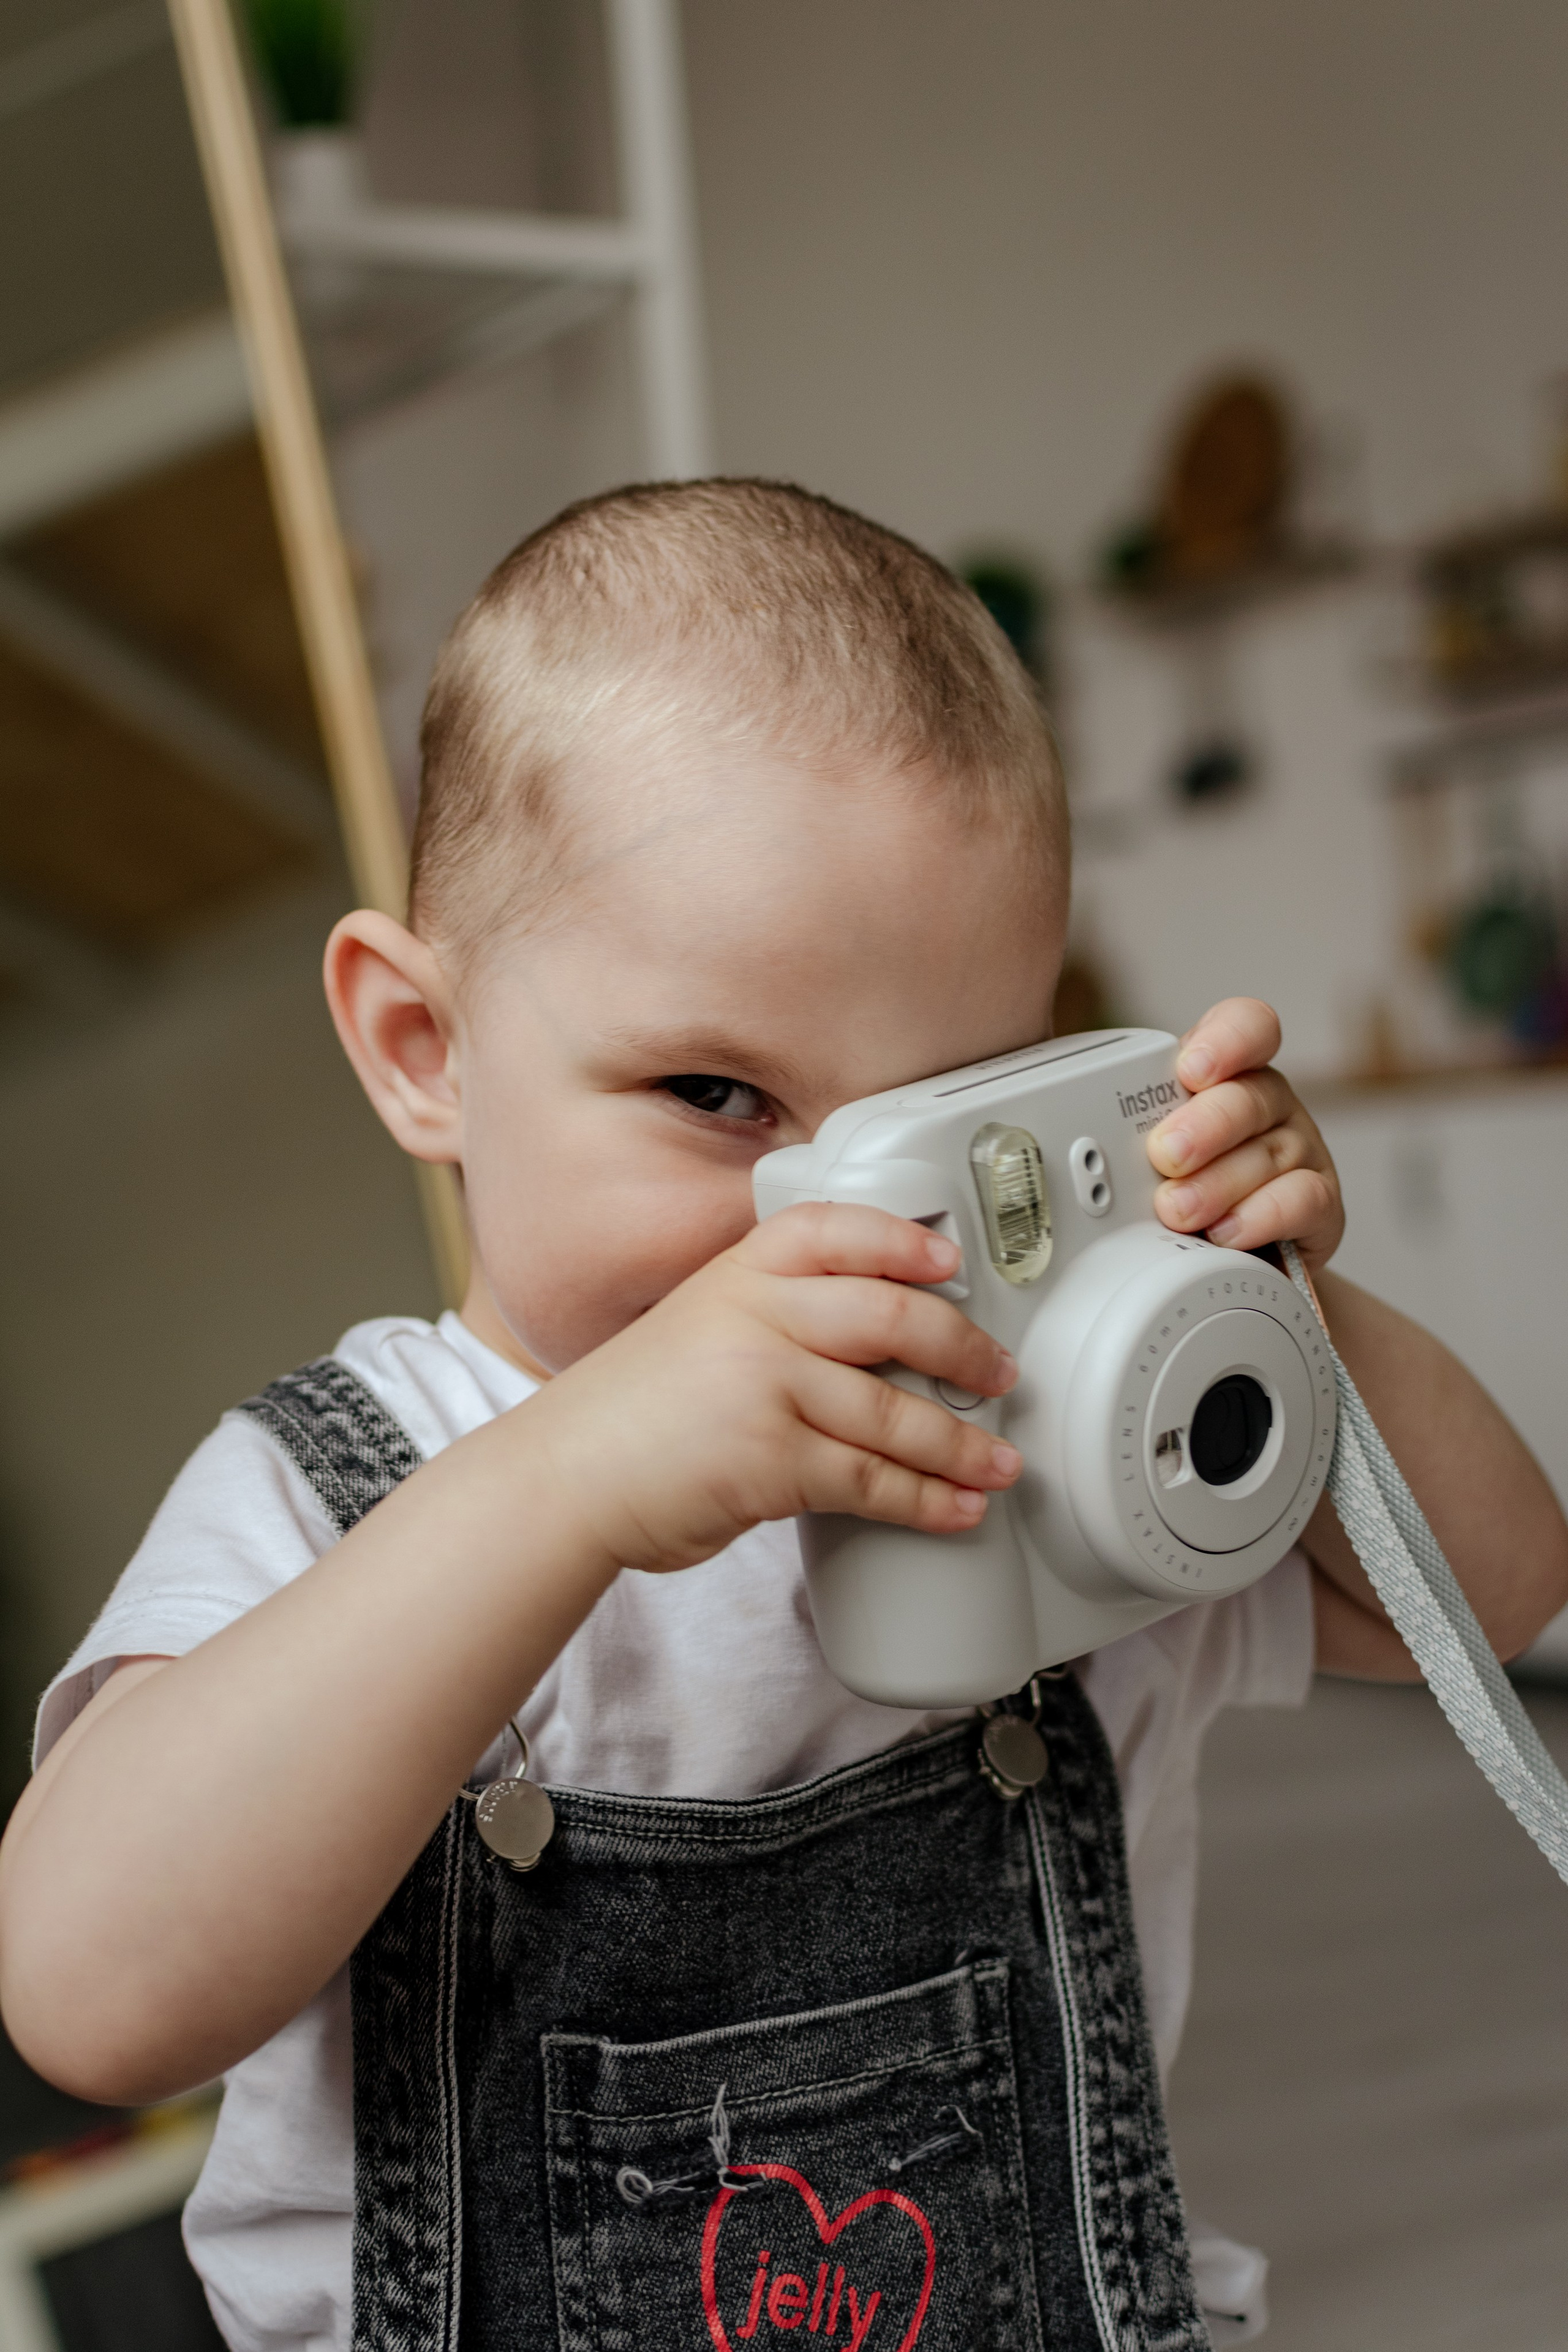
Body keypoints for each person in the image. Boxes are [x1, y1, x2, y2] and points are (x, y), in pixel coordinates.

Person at [1, 481, 1564, 2352]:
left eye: (956, 1115)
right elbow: (91, 1994)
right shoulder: (349, 1486)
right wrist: (565, 1485)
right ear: (427, 1052)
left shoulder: (1046, 1429)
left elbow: (1492, 1600)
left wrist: (1285, 1315)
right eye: (722, 1095)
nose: (843, 1225)